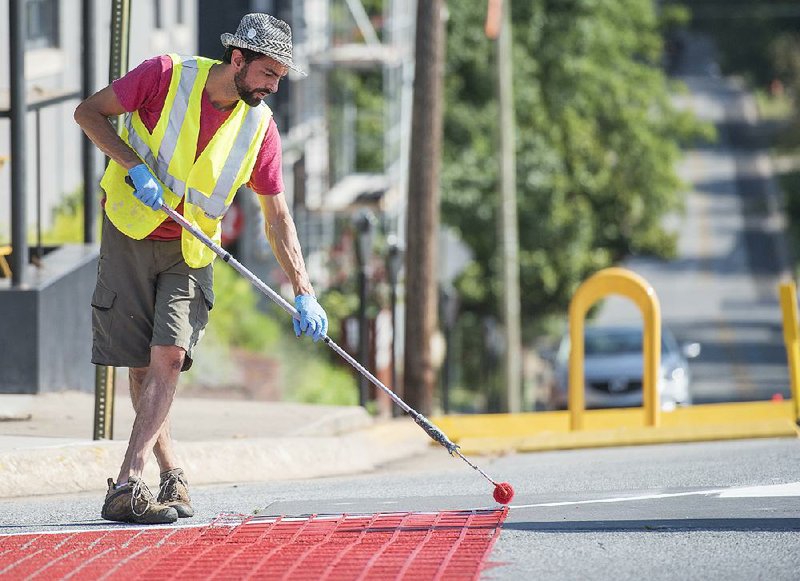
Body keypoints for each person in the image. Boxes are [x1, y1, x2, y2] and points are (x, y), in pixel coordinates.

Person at [74, 13, 328, 524]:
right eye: (268, 74)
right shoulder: (164, 76)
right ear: (238, 58)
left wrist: (304, 290)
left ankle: (127, 483)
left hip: (192, 250)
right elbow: (89, 113)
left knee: (169, 355)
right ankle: (173, 473)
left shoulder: (260, 127)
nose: (274, 87)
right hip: (131, 228)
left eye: (279, 77)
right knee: (143, 365)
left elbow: (277, 217)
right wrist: (133, 165)